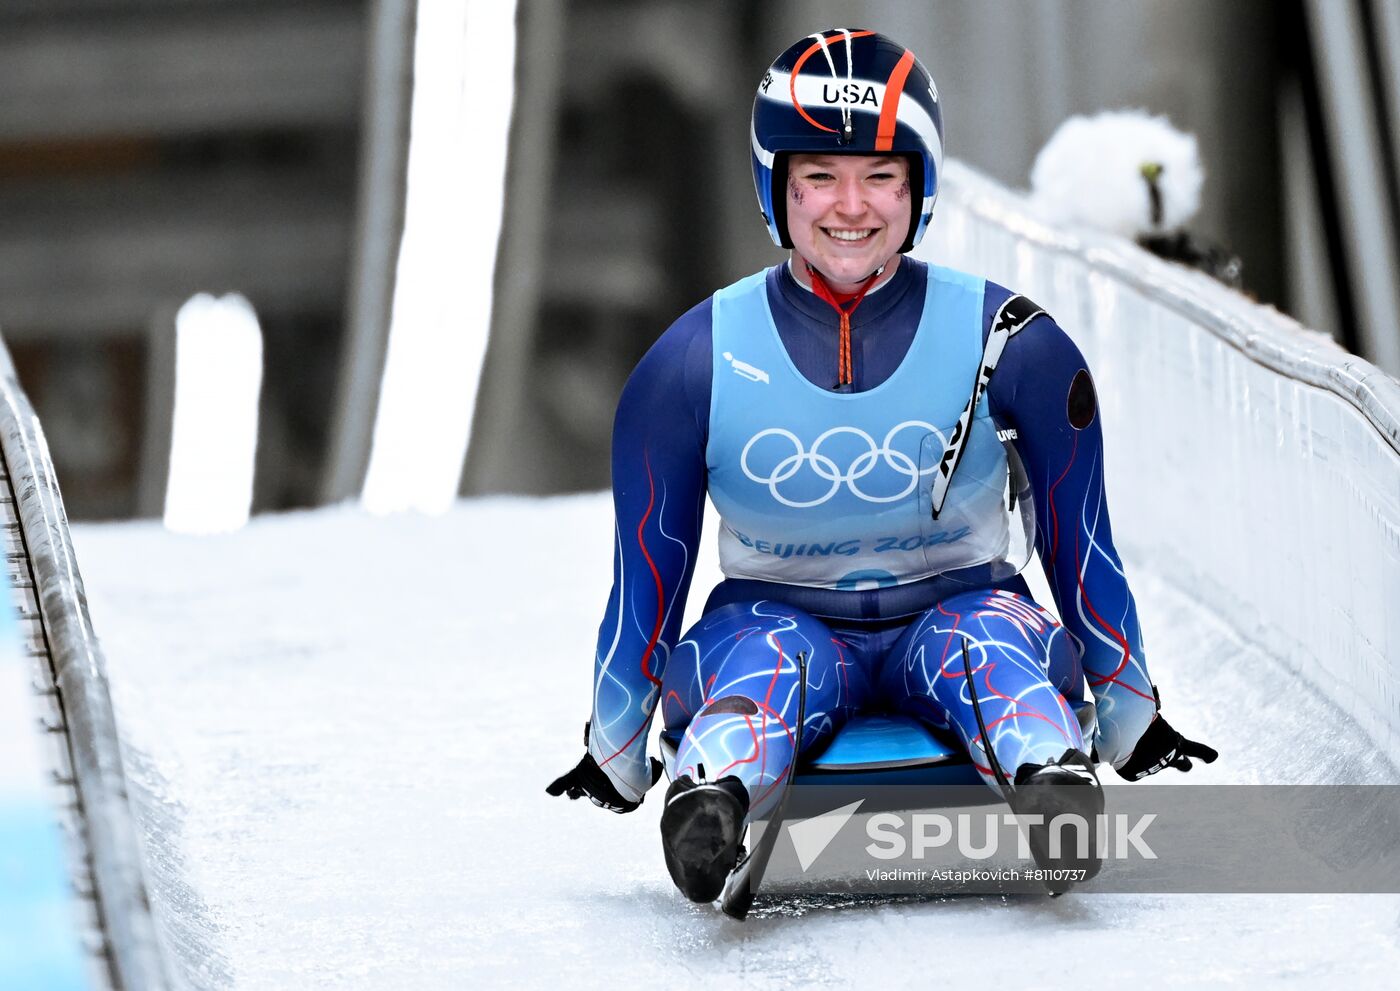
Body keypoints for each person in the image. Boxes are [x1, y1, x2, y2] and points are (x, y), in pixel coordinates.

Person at [548, 28, 1215, 903]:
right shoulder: (690, 365)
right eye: (818, 176)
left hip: (958, 604)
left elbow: (1079, 537)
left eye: (880, 177)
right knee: (765, 665)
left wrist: (1128, 711)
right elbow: (647, 572)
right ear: (775, 187)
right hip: (778, 616)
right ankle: (713, 801)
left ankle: (1050, 781)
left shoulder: (1012, 344)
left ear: (918, 187)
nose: (849, 207)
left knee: (988, 645)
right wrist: (619, 745)